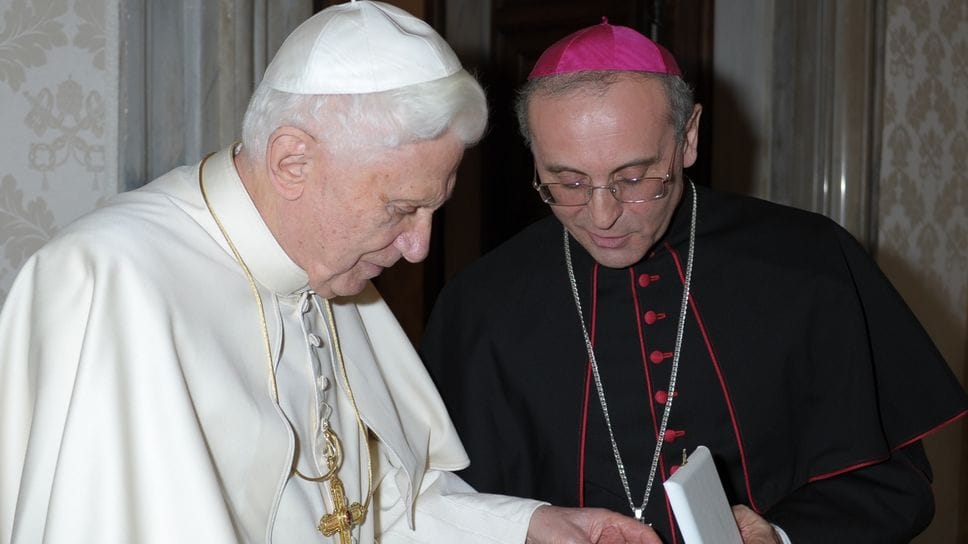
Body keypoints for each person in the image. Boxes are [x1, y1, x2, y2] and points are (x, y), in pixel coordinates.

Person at [0, 3, 661, 543]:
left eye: (432, 209)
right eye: (401, 209)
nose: (417, 248)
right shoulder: (108, 283)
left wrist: (528, 526)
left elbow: (375, 510)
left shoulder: (329, 273)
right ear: (293, 161)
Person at [420, 19, 968, 544]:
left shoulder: (809, 264)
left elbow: (898, 488)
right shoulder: (481, 306)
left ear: (687, 139)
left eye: (633, 178)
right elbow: (442, 508)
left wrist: (778, 536)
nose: (602, 213)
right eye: (566, 182)